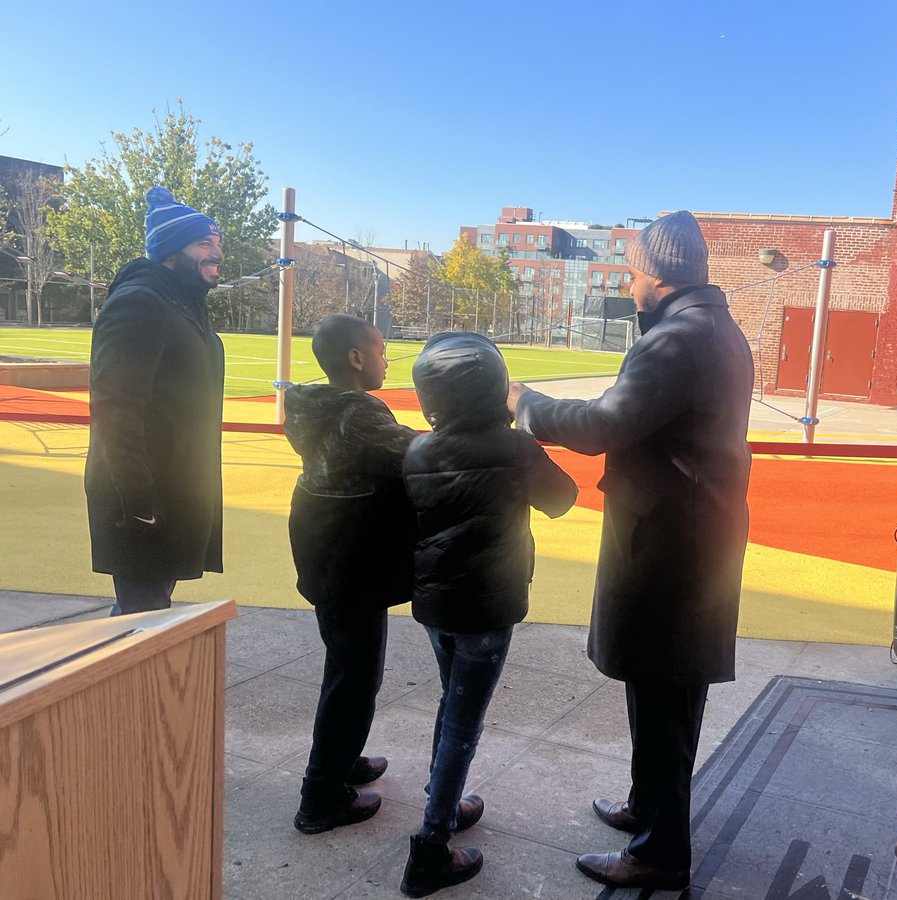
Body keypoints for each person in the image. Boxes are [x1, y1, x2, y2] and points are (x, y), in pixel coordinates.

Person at [507, 210, 755, 891]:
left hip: (672, 548)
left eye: (633, 269)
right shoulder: (717, 331)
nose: (630, 280)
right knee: (666, 691)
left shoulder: (679, 338)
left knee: (663, 695)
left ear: (656, 276)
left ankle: (660, 854)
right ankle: (652, 809)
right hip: (694, 537)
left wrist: (527, 404)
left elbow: (606, 425)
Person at [400, 332, 577, 898]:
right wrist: (527, 437)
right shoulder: (513, 448)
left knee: (450, 703)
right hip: (487, 604)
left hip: (434, 601)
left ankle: (442, 798)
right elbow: (562, 498)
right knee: (462, 723)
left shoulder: (418, 450)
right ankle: (431, 846)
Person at [283, 314, 418, 834]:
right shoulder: (358, 414)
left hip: (328, 559)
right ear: (357, 358)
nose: (388, 358)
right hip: (349, 566)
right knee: (354, 678)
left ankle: (346, 759)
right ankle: (321, 797)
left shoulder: (317, 406)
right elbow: (417, 453)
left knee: (350, 668)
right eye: (383, 348)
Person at [85, 186, 226, 616]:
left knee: (147, 613)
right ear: (169, 250)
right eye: (204, 243)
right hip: (145, 500)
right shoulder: (139, 304)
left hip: (173, 493)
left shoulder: (180, 306)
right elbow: (116, 408)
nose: (217, 254)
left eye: (218, 245)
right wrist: (140, 503)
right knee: (139, 620)